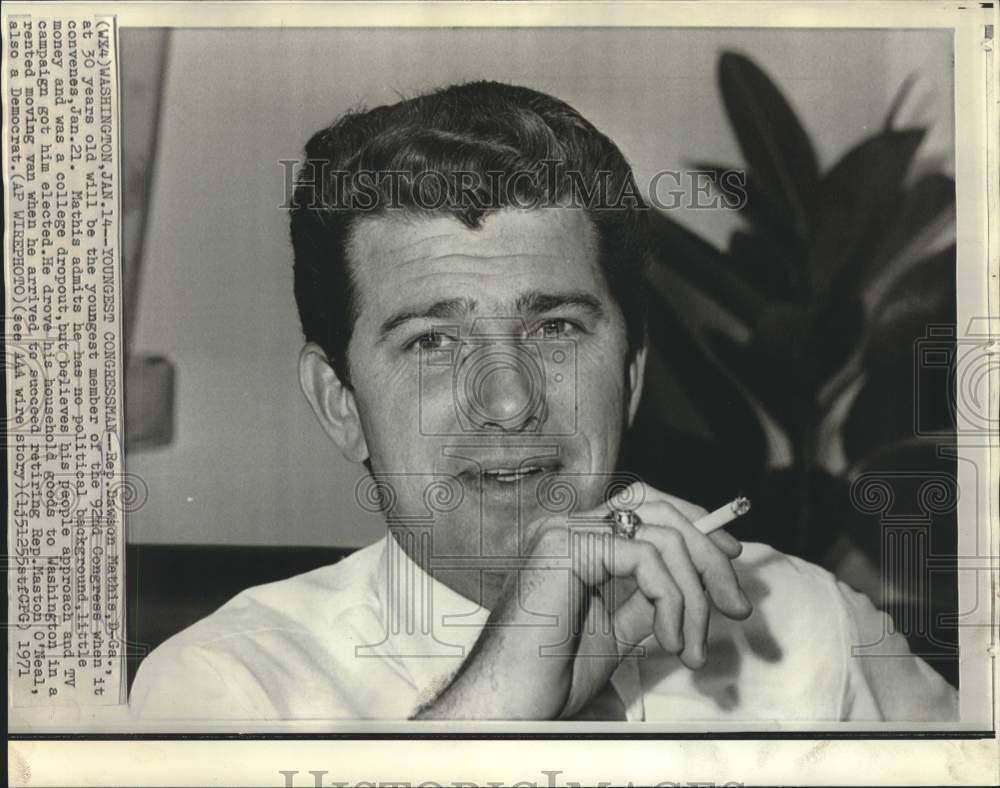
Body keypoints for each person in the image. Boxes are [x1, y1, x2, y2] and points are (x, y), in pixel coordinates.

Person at [130, 81, 957, 722]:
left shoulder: (809, 625)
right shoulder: (227, 685)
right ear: (340, 402)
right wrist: (494, 713)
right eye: (431, 341)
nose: (509, 399)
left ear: (629, 374)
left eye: (557, 327)